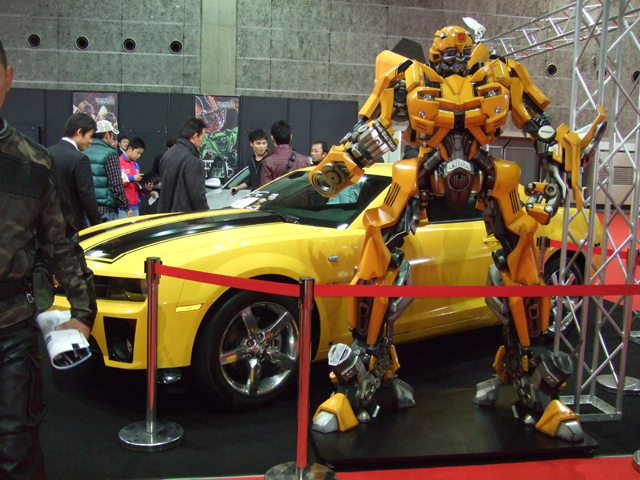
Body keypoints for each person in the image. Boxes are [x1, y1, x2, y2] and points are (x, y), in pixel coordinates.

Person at [0, 38, 96, 479]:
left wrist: (83, 311)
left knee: (16, 447)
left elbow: (60, 242)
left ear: (8, 78)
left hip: (10, 329)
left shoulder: (32, 162)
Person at [47, 113, 102, 232]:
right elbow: (87, 198)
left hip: (47, 226)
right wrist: (98, 228)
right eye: (90, 136)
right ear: (79, 132)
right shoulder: (80, 159)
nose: (90, 141)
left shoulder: (46, 153)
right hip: (72, 227)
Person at [157, 118, 209, 213]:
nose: (202, 141)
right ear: (195, 136)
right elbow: (197, 196)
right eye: (202, 137)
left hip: (164, 214)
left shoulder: (167, 154)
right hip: (185, 217)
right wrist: (205, 215)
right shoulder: (193, 161)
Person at [85, 120, 132, 221]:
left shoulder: (83, 152)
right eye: (112, 135)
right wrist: (127, 206)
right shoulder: (110, 153)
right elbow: (116, 183)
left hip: (86, 209)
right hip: (106, 210)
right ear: (107, 135)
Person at [259, 120, 309, 187]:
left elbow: (265, 189)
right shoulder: (305, 160)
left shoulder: (268, 162)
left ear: (272, 138)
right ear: (291, 137)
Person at [119, 137, 152, 218]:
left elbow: (137, 188)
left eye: (140, 154)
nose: (139, 156)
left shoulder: (136, 165)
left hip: (135, 206)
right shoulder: (119, 161)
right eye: (138, 152)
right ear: (130, 148)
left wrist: (145, 189)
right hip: (122, 207)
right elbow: (116, 182)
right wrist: (131, 178)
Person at [230, 129, 269, 195]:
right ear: (251, 144)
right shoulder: (251, 159)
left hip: (267, 196)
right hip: (254, 196)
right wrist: (237, 188)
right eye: (258, 143)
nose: (262, 147)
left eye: (264, 143)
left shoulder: (271, 159)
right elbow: (252, 180)